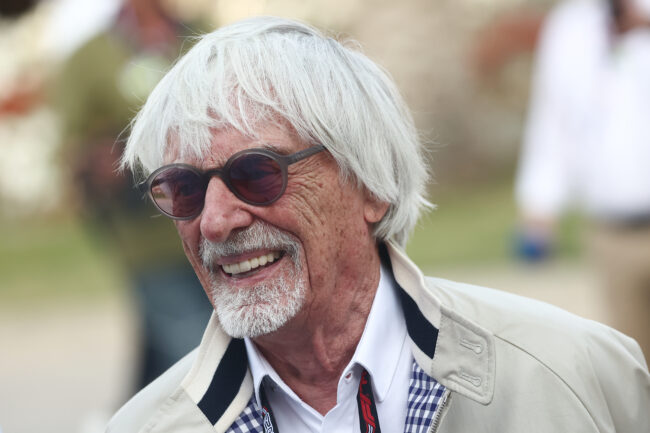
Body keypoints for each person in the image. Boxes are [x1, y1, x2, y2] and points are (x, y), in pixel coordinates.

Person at [107, 16, 650, 433]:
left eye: (256, 173)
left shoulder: (571, 376)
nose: (217, 221)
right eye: (184, 189)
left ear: (371, 185)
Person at [55, 0, 213, 391]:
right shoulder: (89, 58)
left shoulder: (200, 38)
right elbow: (69, 153)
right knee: (196, 355)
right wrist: (100, 159)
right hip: (144, 236)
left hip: (214, 227)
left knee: (180, 356)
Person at [515, 0, 650, 355]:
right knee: (632, 363)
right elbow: (552, 120)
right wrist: (539, 206)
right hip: (611, 230)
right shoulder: (569, 28)